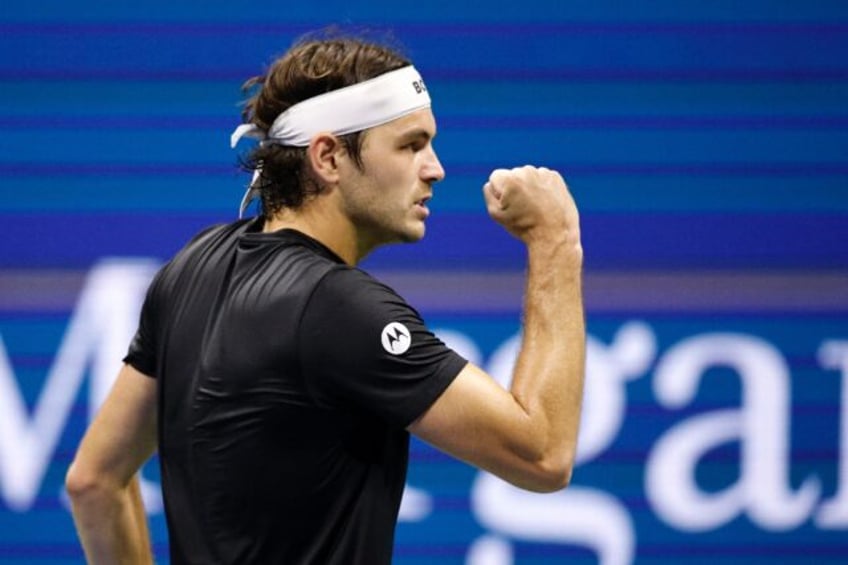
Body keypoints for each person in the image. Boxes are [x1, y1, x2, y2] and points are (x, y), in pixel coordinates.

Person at [65, 31, 586, 564]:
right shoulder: (337, 307)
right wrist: (554, 241)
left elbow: (94, 481)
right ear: (328, 157)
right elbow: (541, 455)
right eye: (410, 145)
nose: (435, 168)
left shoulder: (191, 265)